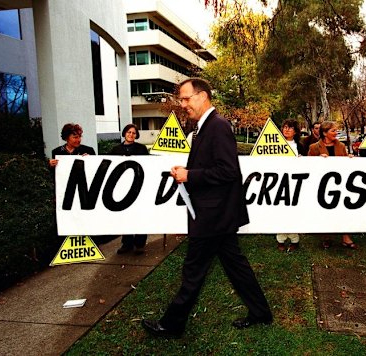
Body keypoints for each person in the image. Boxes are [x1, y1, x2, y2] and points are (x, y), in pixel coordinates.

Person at [142, 78, 272, 338]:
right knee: (236, 266)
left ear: (203, 96)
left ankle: (172, 324)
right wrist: (186, 172)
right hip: (217, 215)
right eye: (181, 99)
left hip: (213, 216)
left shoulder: (218, 126)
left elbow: (228, 171)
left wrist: (190, 176)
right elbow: (211, 166)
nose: (183, 104)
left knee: (194, 271)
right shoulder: (204, 127)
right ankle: (261, 313)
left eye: (187, 98)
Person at [307, 121, 357, 250]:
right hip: (322, 185)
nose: (336, 133)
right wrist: (317, 159)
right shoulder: (314, 147)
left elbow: (345, 162)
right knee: (325, 210)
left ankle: (345, 237)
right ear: (324, 133)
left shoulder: (341, 146)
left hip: (340, 184)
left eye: (336, 130)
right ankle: (326, 236)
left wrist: (349, 158)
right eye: (333, 131)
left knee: (343, 210)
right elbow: (307, 166)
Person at [109, 123, 150, 254]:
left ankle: (139, 244)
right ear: (124, 133)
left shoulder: (142, 148)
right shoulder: (115, 150)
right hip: (121, 189)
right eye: (128, 132)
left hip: (138, 187)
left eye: (133, 133)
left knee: (139, 215)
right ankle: (126, 243)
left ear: (136, 135)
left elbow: (149, 166)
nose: (131, 135)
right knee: (125, 216)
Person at [276, 119, 304, 251]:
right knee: (280, 210)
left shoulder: (300, 146)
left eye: (290, 128)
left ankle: (294, 239)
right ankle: (280, 239)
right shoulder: (274, 144)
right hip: (277, 182)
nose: (286, 130)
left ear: (296, 131)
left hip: (294, 183)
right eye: (285, 127)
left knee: (292, 211)